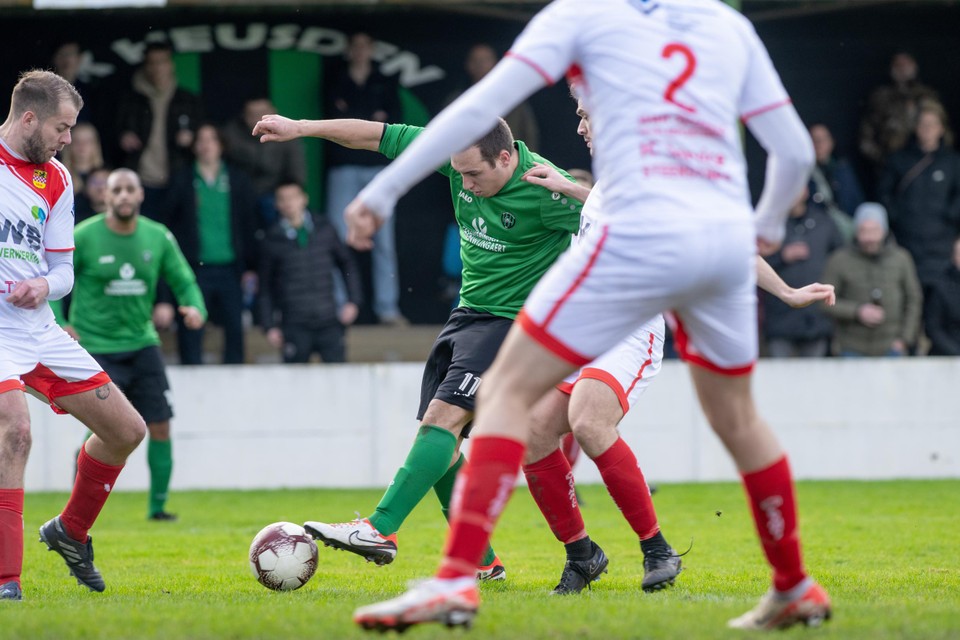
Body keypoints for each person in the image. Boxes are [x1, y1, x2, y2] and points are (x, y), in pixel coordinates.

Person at [339, 0, 832, 632]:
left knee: (509, 389)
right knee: (739, 420)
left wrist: (381, 191)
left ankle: (458, 580)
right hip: (717, 236)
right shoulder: (724, 23)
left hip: (634, 235)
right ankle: (793, 585)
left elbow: (473, 114)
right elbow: (791, 150)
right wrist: (763, 225)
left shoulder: (581, 16)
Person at [520, 99, 835, 596]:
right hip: (583, 327)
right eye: (577, 113)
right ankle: (582, 554)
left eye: (586, 115)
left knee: (587, 420)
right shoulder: (613, 176)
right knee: (534, 431)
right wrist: (571, 188)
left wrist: (788, 292)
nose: (579, 126)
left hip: (628, 329)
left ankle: (657, 549)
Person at [252, 113, 584, 583]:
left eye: (474, 174)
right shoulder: (458, 157)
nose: (464, 183)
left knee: (441, 421)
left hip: (512, 325)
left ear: (506, 157)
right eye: (458, 173)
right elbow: (378, 136)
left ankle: (380, 528)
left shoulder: (548, 188)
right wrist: (302, 128)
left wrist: (577, 192)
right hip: (467, 317)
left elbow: (630, 220)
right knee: (442, 444)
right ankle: (484, 563)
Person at [0, 70, 146, 601]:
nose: (68, 140)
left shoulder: (57, 179)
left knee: (127, 431)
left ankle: (70, 531)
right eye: (63, 128)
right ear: (29, 117)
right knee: (16, 429)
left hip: (38, 330)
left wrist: (42, 283)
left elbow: (63, 271)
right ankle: (6, 583)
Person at [50, 168, 206, 521]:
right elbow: (54, 279)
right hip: (96, 347)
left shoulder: (158, 236)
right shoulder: (84, 236)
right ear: (105, 196)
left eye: (129, 189)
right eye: (115, 189)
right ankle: (78, 515)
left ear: (140, 196)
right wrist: (61, 323)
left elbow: (184, 280)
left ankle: (158, 508)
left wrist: (195, 307)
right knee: (100, 432)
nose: (122, 195)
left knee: (161, 425)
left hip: (142, 344)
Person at [325, 32, 406, 326]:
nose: (360, 51)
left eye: (364, 46)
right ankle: (337, 306)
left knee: (383, 240)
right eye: (355, 45)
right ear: (349, 50)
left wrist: (357, 115)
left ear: (371, 49)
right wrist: (371, 117)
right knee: (335, 236)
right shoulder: (335, 78)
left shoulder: (384, 79)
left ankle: (388, 309)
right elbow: (335, 120)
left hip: (377, 170)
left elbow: (394, 123)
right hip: (343, 167)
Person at [165, 123, 259, 365]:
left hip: (231, 266)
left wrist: (250, 265)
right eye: (201, 140)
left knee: (235, 325)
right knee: (192, 324)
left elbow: (249, 223)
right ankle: (191, 371)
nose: (206, 145)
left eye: (212, 140)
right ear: (194, 146)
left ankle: (236, 374)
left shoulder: (237, 179)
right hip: (195, 267)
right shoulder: (183, 178)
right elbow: (169, 220)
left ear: (221, 146)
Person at [259, 182, 362, 363]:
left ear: (303, 199)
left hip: (328, 319)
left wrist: (353, 301)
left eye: (292, 197)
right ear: (276, 204)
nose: (288, 203)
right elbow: (264, 287)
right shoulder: (271, 239)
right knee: (294, 383)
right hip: (294, 323)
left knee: (338, 379)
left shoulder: (324, 228)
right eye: (282, 199)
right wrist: (268, 325)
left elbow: (347, 264)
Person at [877, 100, 960, 296]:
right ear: (915, 127)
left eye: (932, 124)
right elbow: (883, 194)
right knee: (909, 296)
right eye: (923, 124)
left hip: (942, 244)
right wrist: (898, 218)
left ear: (941, 128)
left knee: (940, 299)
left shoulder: (952, 161)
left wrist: (949, 218)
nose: (927, 129)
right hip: (907, 241)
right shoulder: (899, 159)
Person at [114, 42, 203, 219]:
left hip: (176, 177)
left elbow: (204, 138)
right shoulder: (130, 98)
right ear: (145, 66)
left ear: (171, 64)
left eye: (161, 61)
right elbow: (112, 132)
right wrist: (122, 137)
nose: (157, 68)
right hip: (140, 178)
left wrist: (191, 139)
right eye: (152, 62)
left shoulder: (187, 99)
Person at [822, 203, 923, 357]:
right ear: (856, 231)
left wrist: (904, 339)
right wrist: (857, 311)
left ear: (884, 230)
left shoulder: (901, 258)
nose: (869, 238)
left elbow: (914, 299)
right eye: (864, 231)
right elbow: (824, 302)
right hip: (851, 347)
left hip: (892, 345)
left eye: (874, 231)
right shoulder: (839, 260)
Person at [762, 189, 844, 358]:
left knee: (814, 378)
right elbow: (748, 259)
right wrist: (782, 256)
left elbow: (842, 258)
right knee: (779, 377)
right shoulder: (770, 222)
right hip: (779, 317)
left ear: (806, 192)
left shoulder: (824, 222)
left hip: (816, 317)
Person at [221, 97, 307, 226]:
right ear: (244, 116)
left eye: (263, 113)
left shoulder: (288, 134)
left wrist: (285, 195)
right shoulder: (231, 134)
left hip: (274, 193)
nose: (258, 118)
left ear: (273, 112)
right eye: (252, 114)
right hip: (242, 193)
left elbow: (296, 174)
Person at [445, 44, 541, 152]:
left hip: (510, 162)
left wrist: (526, 164)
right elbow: (446, 135)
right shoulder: (457, 101)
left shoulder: (513, 98)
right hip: (467, 163)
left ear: (496, 64)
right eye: (476, 60)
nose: (480, 65)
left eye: (485, 60)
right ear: (468, 65)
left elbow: (529, 132)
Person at [859, 51, 939, 180]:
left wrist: (939, 158)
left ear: (914, 66)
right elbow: (866, 137)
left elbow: (943, 130)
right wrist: (883, 160)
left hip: (927, 165)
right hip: (891, 166)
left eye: (906, 63)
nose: (902, 68)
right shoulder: (880, 97)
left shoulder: (927, 96)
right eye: (898, 64)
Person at [807, 123, 863, 243]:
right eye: (814, 140)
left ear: (831, 142)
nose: (818, 145)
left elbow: (856, 201)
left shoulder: (842, 169)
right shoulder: (804, 174)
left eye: (823, 140)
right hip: (818, 234)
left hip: (847, 230)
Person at [924, 235, 960, 355]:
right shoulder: (941, 286)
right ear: (954, 257)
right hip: (946, 356)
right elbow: (932, 327)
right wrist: (955, 352)